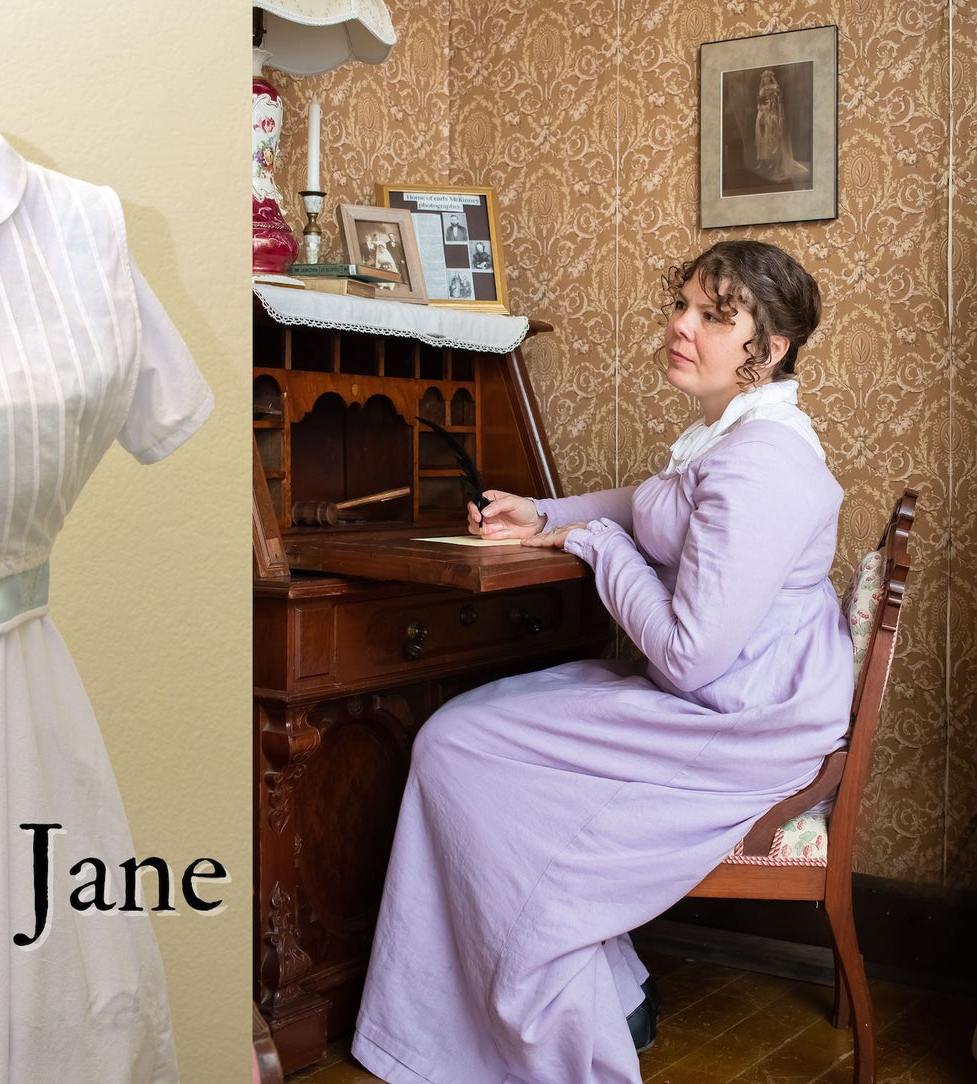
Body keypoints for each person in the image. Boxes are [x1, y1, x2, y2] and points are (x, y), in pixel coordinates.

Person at [352, 240, 850, 1084]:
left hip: (735, 722)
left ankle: (566, 1021)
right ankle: (602, 987)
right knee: (467, 731)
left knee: (459, 746)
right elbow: (653, 506)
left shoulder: (765, 465)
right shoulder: (731, 438)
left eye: (711, 316)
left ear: (767, 350)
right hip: (727, 697)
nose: (679, 325)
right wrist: (541, 510)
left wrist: (591, 542)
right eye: (682, 304)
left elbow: (689, 655)